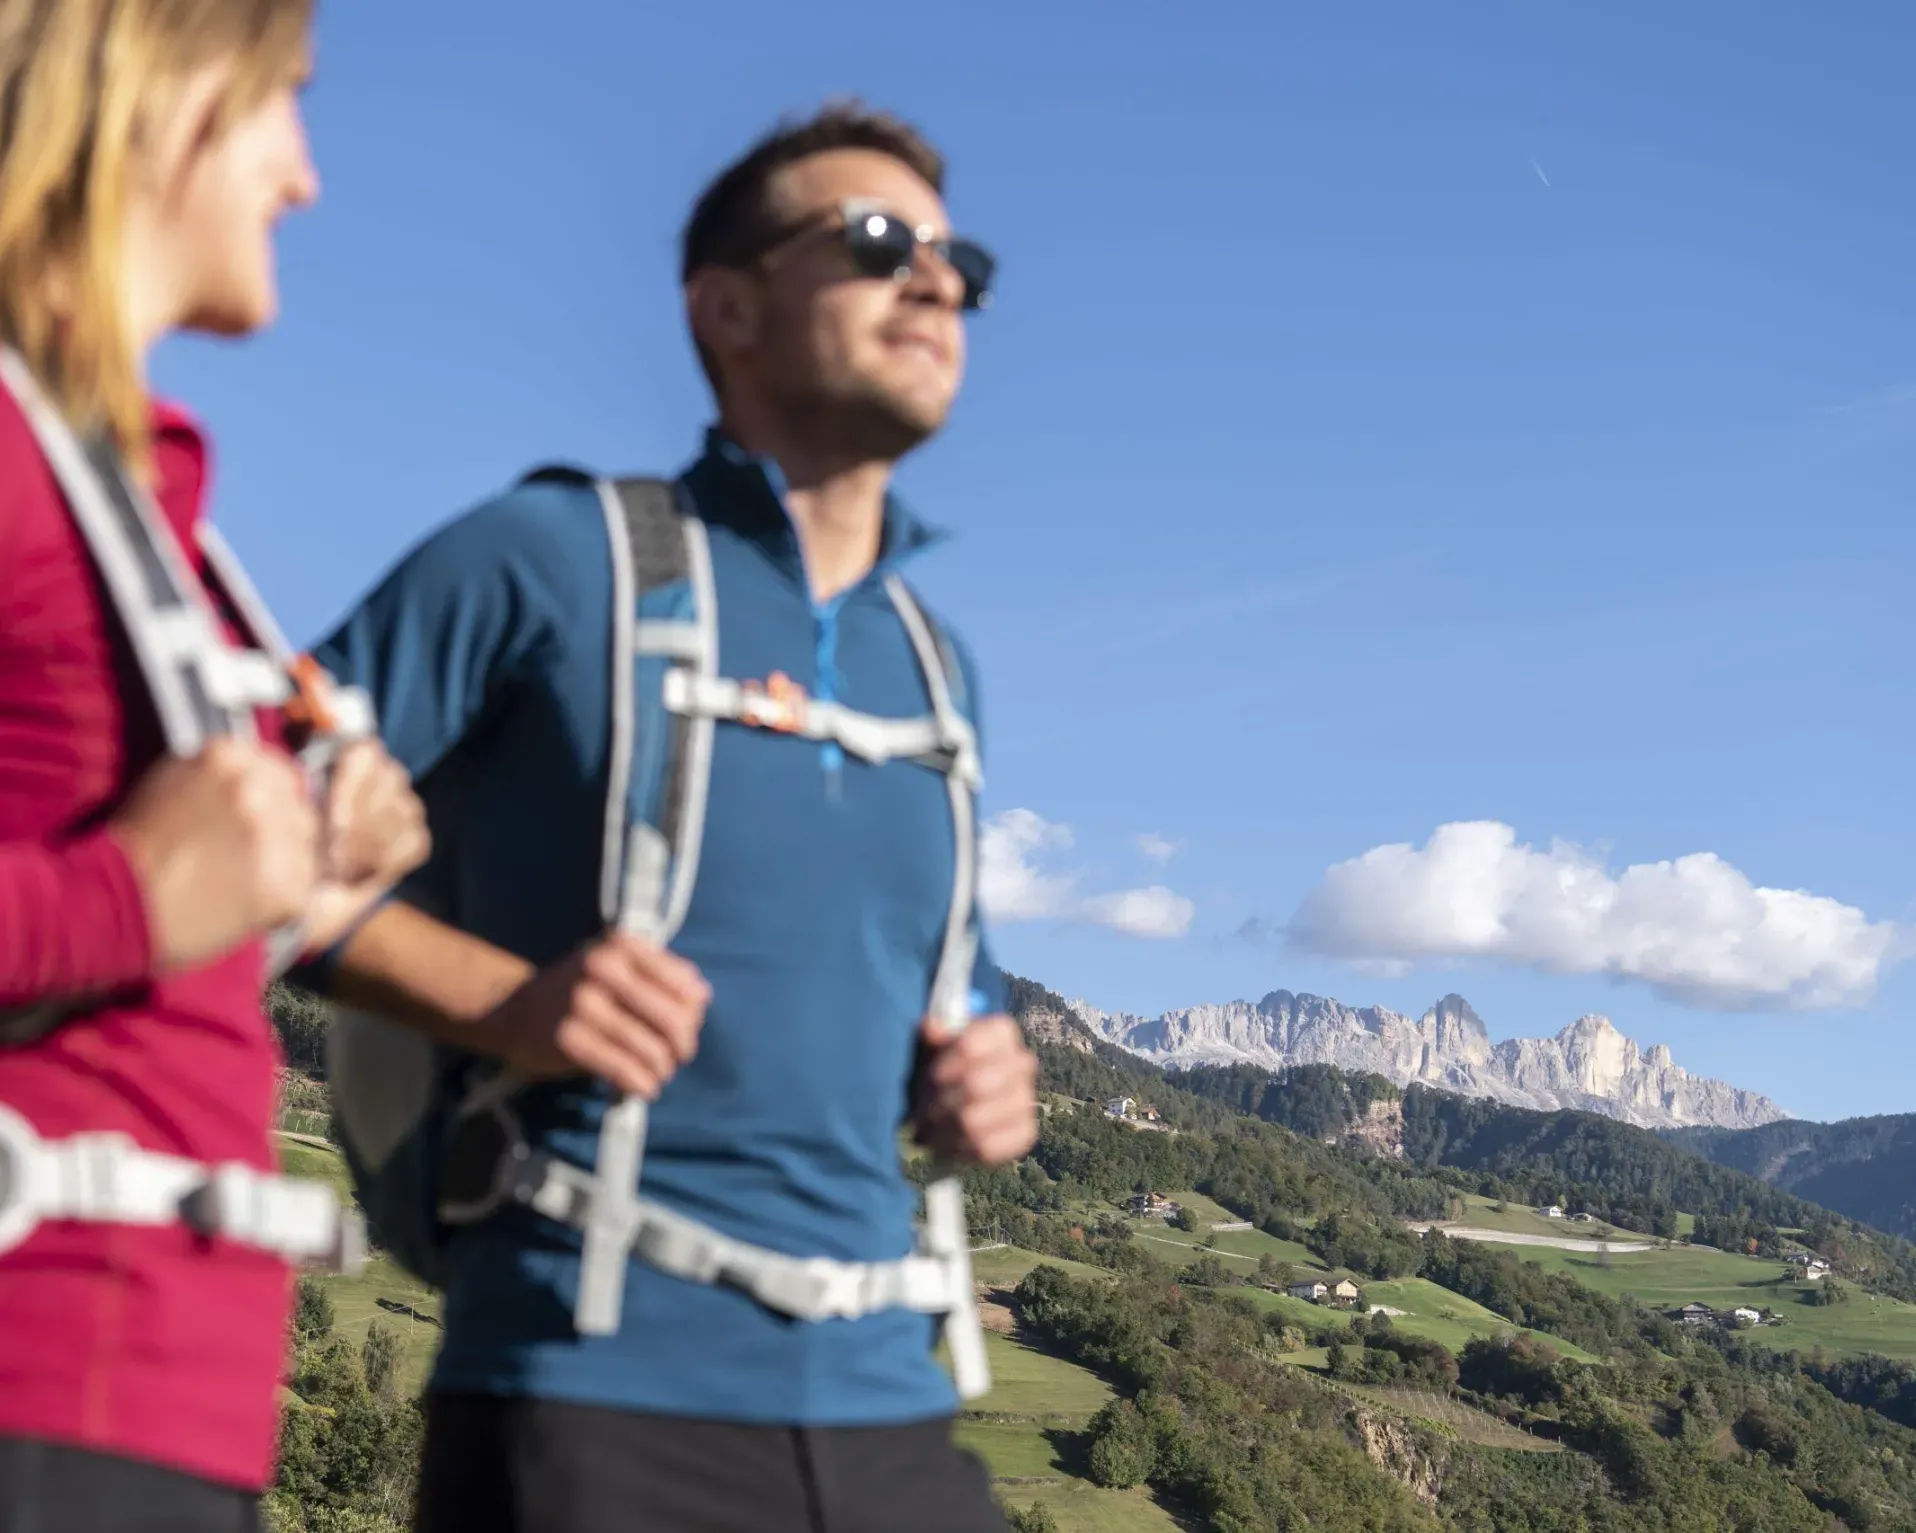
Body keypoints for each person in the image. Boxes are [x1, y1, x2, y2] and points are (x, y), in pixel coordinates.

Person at [306, 103, 1041, 1532]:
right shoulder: (545, 559)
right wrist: (512, 1001)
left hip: (896, 1404)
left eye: (963, 261)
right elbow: (222, 834)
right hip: (591, 1388)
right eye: (880, 243)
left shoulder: (940, 669)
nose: (937, 282)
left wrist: (984, 1076)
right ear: (728, 307)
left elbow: (947, 975)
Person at [0, 3, 429, 1528]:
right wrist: (129, 896)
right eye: (284, 103)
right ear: (152, 83)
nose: (305, 176)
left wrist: (293, 868)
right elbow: (127, 897)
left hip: (167, 1410)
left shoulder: (138, 498)